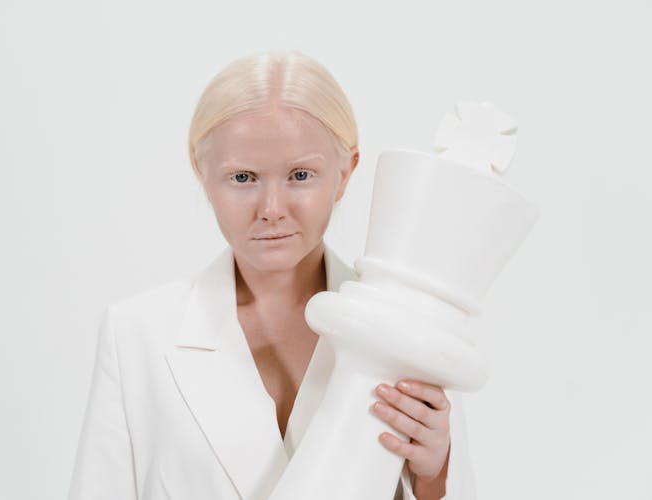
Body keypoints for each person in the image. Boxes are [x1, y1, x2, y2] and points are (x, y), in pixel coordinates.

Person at [67, 50, 476, 500]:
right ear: (201, 172)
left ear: (345, 173)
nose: (272, 210)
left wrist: (434, 479)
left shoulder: (408, 330)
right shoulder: (136, 334)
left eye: (301, 175)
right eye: (243, 177)